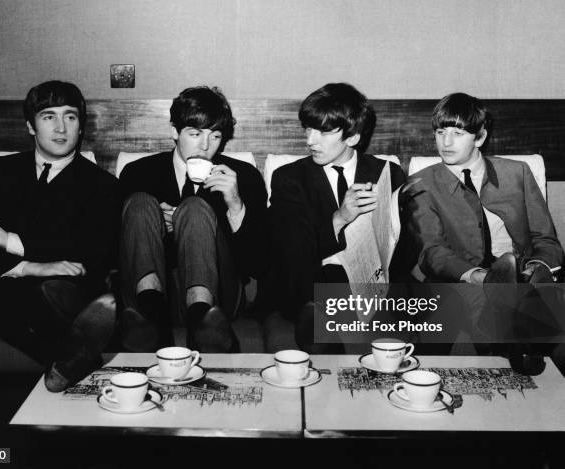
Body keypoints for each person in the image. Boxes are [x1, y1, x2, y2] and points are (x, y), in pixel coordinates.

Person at [0, 80, 120, 391]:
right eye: (49, 117)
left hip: (66, 288)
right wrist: (32, 266)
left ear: (80, 125)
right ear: (31, 126)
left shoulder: (102, 185)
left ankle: (69, 354)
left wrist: (9, 240)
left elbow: (91, 251)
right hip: (5, 284)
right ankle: (75, 356)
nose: (61, 128)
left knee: (37, 292)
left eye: (70, 117)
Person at [405, 92, 564, 369]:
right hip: (462, 280)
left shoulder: (517, 173)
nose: (446, 142)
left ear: (479, 137)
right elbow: (431, 252)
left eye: (457, 133)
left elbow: (545, 238)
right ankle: (520, 349)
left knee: (528, 297)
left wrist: (536, 267)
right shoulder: (422, 183)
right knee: (497, 302)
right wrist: (480, 276)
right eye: (440, 132)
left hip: (522, 275)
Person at [118, 86, 267, 353]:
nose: (205, 146)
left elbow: (258, 263)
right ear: (174, 131)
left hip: (218, 298)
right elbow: (115, 253)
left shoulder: (242, 176)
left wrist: (235, 204)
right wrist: (158, 229)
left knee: (195, 208)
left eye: (215, 136)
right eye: (195, 134)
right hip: (155, 292)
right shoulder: (138, 173)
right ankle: (153, 322)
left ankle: (201, 325)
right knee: (140, 203)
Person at [267, 83, 406, 352]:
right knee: (317, 297)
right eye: (308, 128)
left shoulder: (387, 173)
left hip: (371, 285)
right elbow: (293, 250)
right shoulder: (289, 178)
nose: (310, 140)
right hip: (312, 282)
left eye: (323, 131)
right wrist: (340, 217)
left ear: (352, 137)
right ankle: (323, 325)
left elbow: (405, 249)